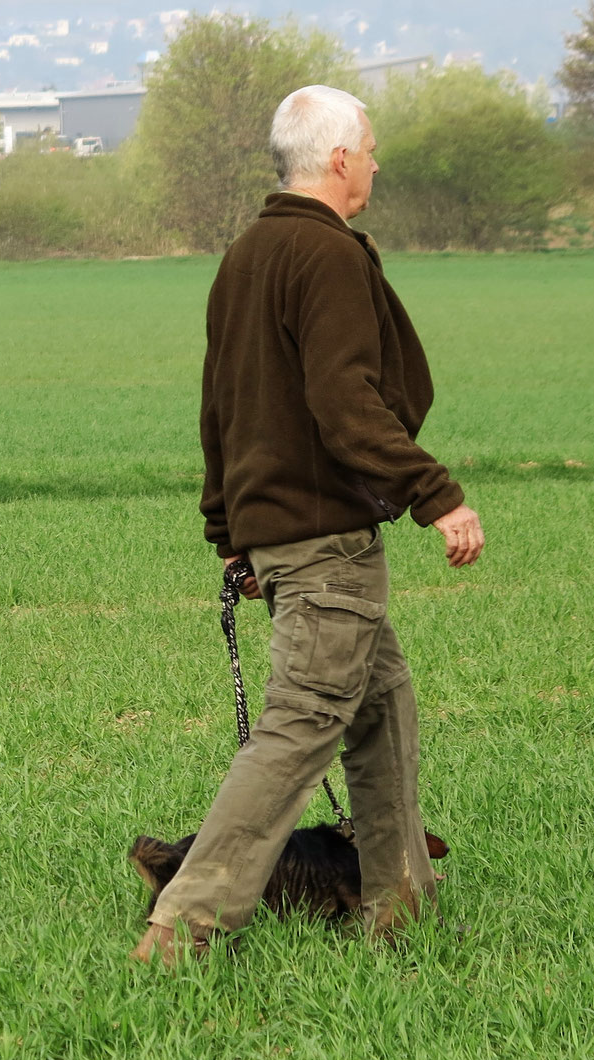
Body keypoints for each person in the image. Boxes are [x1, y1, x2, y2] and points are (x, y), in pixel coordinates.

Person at [133, 85, 485, 965]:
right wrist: (436, 494)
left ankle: (400, 899)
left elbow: (222, 412)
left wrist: (233, 535)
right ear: (337, 159)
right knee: (303, 723)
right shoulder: (323, 256)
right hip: (326, 540)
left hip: (287, 532)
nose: (373, 163)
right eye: (368, 150)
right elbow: (344, 402)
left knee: (382, 707)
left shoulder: (247, 255)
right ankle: (185, 925)